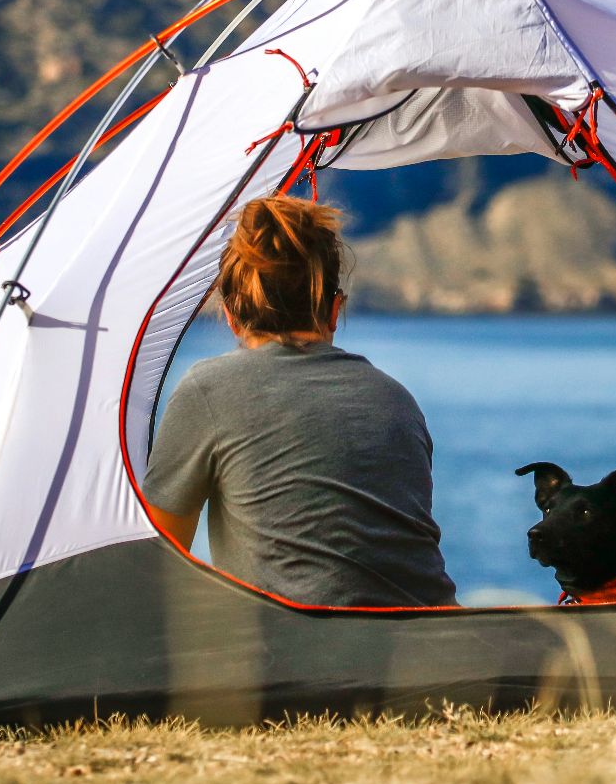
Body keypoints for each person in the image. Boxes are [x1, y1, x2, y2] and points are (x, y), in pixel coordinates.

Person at [144, 195, 457, 608]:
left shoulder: (208, 389)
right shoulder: (396, 400)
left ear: (233, 316)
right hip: (437, 647)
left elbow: (162, 561)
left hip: (298, 658)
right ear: (333, 310)